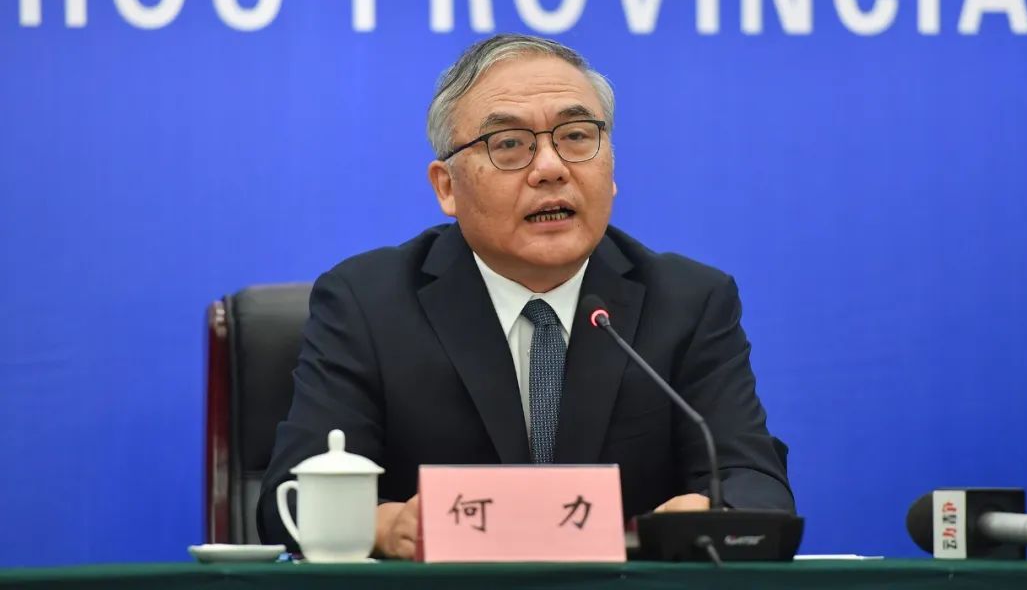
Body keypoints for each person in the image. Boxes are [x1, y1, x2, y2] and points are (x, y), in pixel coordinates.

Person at [257, 33, 794, 558]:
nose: (551, 169)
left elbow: (755, 482)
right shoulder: (367, 303)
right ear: (447, 187)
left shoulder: (689, 302)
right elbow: (289, 499)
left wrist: (713, 510)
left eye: (577, 136)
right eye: (509, 144)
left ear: (611, 169)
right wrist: (384, 525)